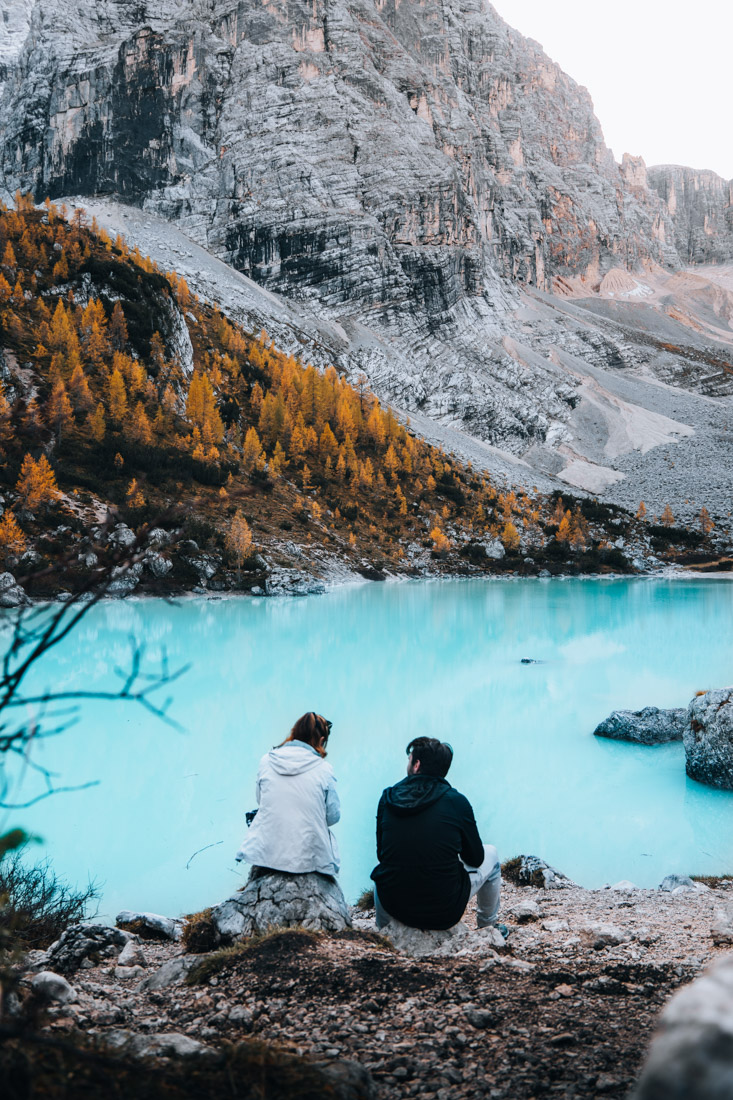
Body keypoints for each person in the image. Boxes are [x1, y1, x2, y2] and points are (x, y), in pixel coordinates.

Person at [371, 736, 503, 932]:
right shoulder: (457, 802)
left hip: (395, 906)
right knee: (491, 853)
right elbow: (476, 858)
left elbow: (382, 854)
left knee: (383, 867)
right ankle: (487, 927)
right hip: (443, 910)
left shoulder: (388, 798)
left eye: (409, 759)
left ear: (416, 765)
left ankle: (384, 930)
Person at [235, 712, 341, 876]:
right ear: (321, 740)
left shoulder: (266, 760)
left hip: (267, 853)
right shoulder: (324, 769)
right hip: (308, 858)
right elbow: (333, 817)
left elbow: (261, 801)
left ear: (294, 733)